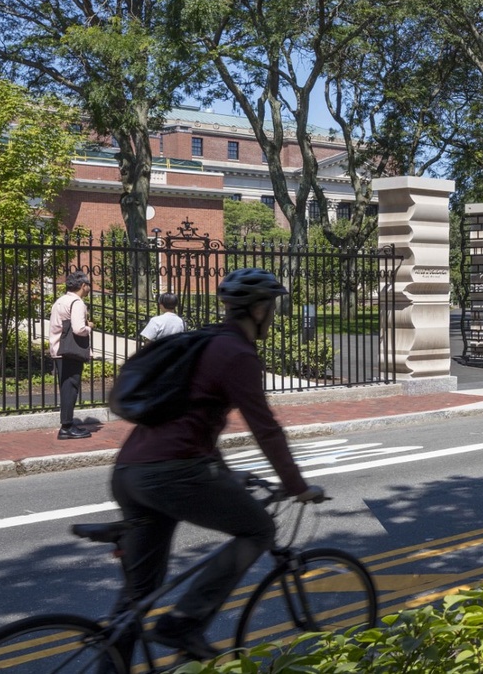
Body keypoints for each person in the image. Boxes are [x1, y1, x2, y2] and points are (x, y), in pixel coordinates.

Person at [110, 268, 324, 660]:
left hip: (130, 472)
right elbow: (267, 430)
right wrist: (297, 485)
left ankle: (111, 667)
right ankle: (184, 623)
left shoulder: (206, 340)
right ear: (259, 310)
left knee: (138, 598)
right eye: (272, 308)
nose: (273, 315)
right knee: (258, 529)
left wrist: (226, 475)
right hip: (172, 473)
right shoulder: (238, 354)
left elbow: (197, 424)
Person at [48, 270, 94, 441]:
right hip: (69, 352)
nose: (89, 288)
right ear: (83, 286)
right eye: (88, 285)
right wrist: (89, 326)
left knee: (66, 387)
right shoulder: (77, 302)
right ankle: (66, 427)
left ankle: (67, 424)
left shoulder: (60, 301)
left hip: (58, 349)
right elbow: (78, 328)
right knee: (70, 388)